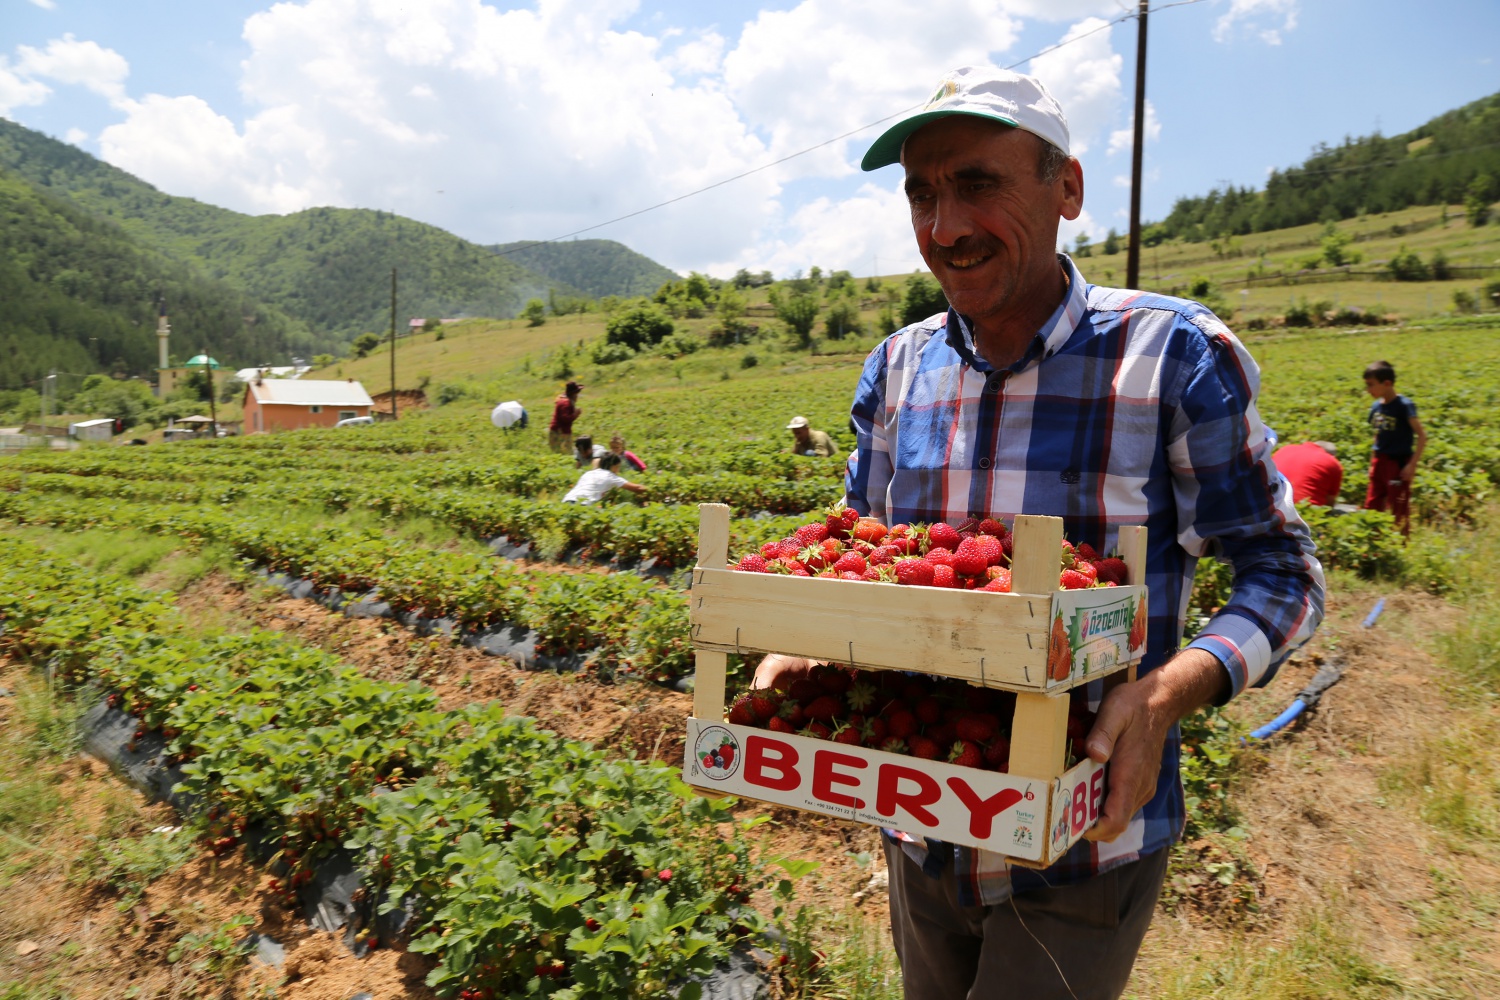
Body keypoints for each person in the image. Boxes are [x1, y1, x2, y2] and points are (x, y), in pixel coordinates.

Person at [755, 66, 1324, 1000]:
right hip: (920, 813)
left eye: (977, 182)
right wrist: (800, 641)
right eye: (921, 193)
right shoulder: (897, 368)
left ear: (1067, 189)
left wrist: (1165, 696)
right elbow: (857, 553)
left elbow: (1283, 573)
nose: (944, 227)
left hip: (1085, 836)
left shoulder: (1172, 356)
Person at [1362, 360, 1424, 537]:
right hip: (1379, 462)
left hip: (1397, 464)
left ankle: (1401, 545)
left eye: (1371, 385)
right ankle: (1372, 543)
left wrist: (1411, 465)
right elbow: (1378, 434)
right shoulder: (1377, 406)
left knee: (1399, 509)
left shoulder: (1404, 406)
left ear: (1387, 383)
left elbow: (1422, 436)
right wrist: (1372, 463)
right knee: (1372, 506)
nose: (1368, 390)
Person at [1274, 441, 1344, 507]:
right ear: (1331, 455)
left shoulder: (1285, 449)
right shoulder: (1331, 461)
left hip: (1269, 503)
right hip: (1303, 509)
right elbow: (1329, 502)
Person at [561, 452, 646, 504]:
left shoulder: (588, 473)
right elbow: (638, 488)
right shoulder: (611, 476)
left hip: (566, 500)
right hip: (582, 504)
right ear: (613, 466)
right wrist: (652, 489)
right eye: (618, 467)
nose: (618, 470)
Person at [548, 381, 583, 452]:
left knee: (557, 452)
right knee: (567, 452)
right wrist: (576, 414)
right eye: (577, 393)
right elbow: (565, 418)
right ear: (573, 394)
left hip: (556, 430)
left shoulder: (564, 400)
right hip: (561, 432)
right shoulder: (566, 403)